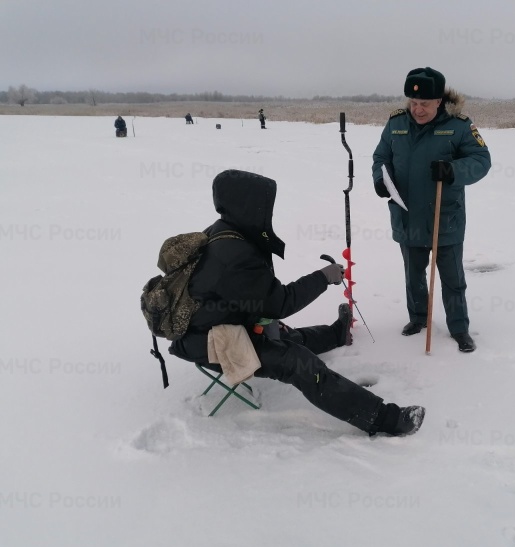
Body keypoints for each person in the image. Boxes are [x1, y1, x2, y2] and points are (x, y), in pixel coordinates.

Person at [169, 169, 425, 436]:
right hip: (209, 342)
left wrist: (263, 318)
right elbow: (279, 302)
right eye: (261, 204)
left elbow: (252, 296)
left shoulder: (226, 230)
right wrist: (323, 277)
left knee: (283, 335)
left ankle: (336, 334)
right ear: (244, 205)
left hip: (218, 325)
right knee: (297, 362)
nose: (266, 211)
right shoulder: (231, 253)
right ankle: (386, 420)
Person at [372, 67, 491, 353]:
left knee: (452, 279)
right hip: (407, 215)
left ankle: (459, 328)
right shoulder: (396, 124)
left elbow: (481, 159)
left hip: (444, 217)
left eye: (424, 103)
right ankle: (418, 319)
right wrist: (380, 179)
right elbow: (381, 156)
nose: (417, 109)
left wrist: (453, 169)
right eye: (413, 103)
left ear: (439, 101)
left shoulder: (460, 125)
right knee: (413, 276)